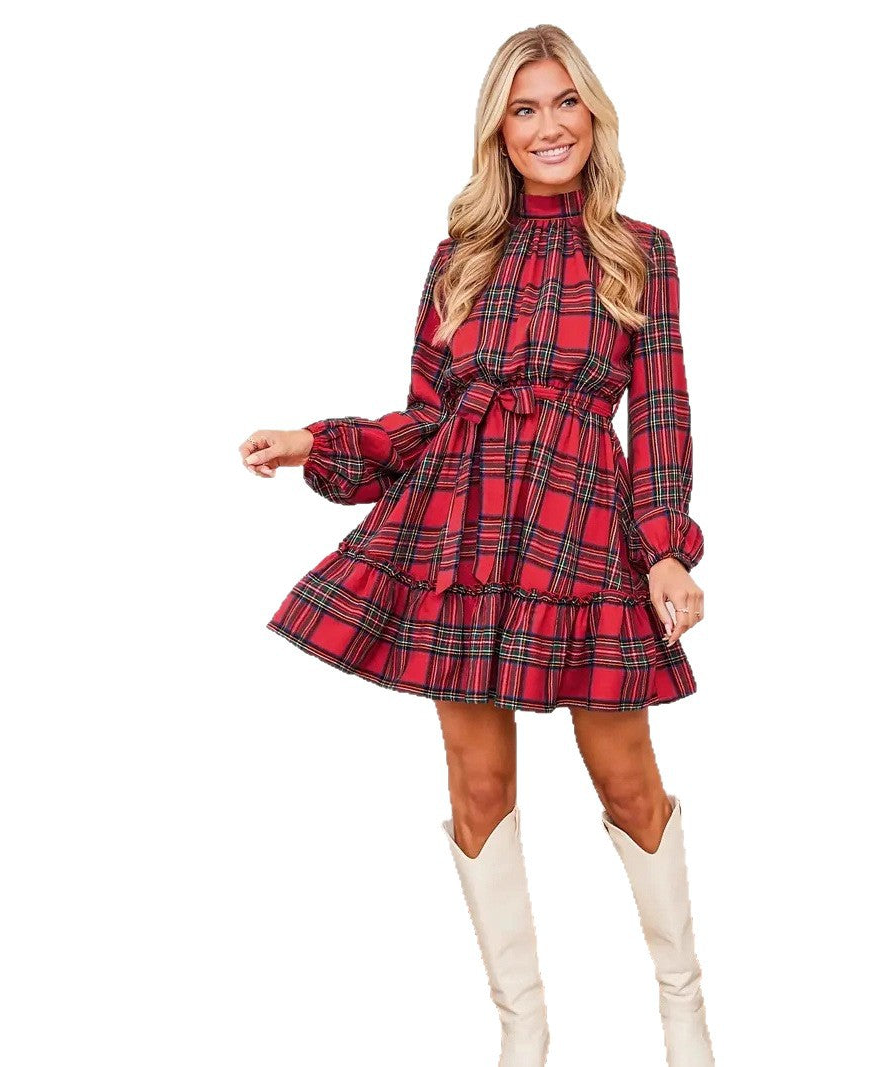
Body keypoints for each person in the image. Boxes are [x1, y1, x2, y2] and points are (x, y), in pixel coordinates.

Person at [239, 24, 715, 1067]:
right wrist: (320, 440)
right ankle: (522, 1031)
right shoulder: (460, 254)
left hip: (581, 528)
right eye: (523, 108)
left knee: (625, 775)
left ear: (592, 114)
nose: (547, 126)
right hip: (462, 528)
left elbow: (661, 412)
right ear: (498, 130)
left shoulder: (641, 249)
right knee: (477, 784)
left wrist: (665, 548)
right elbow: (426, 418)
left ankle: (682, 1013)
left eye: (564, 102)